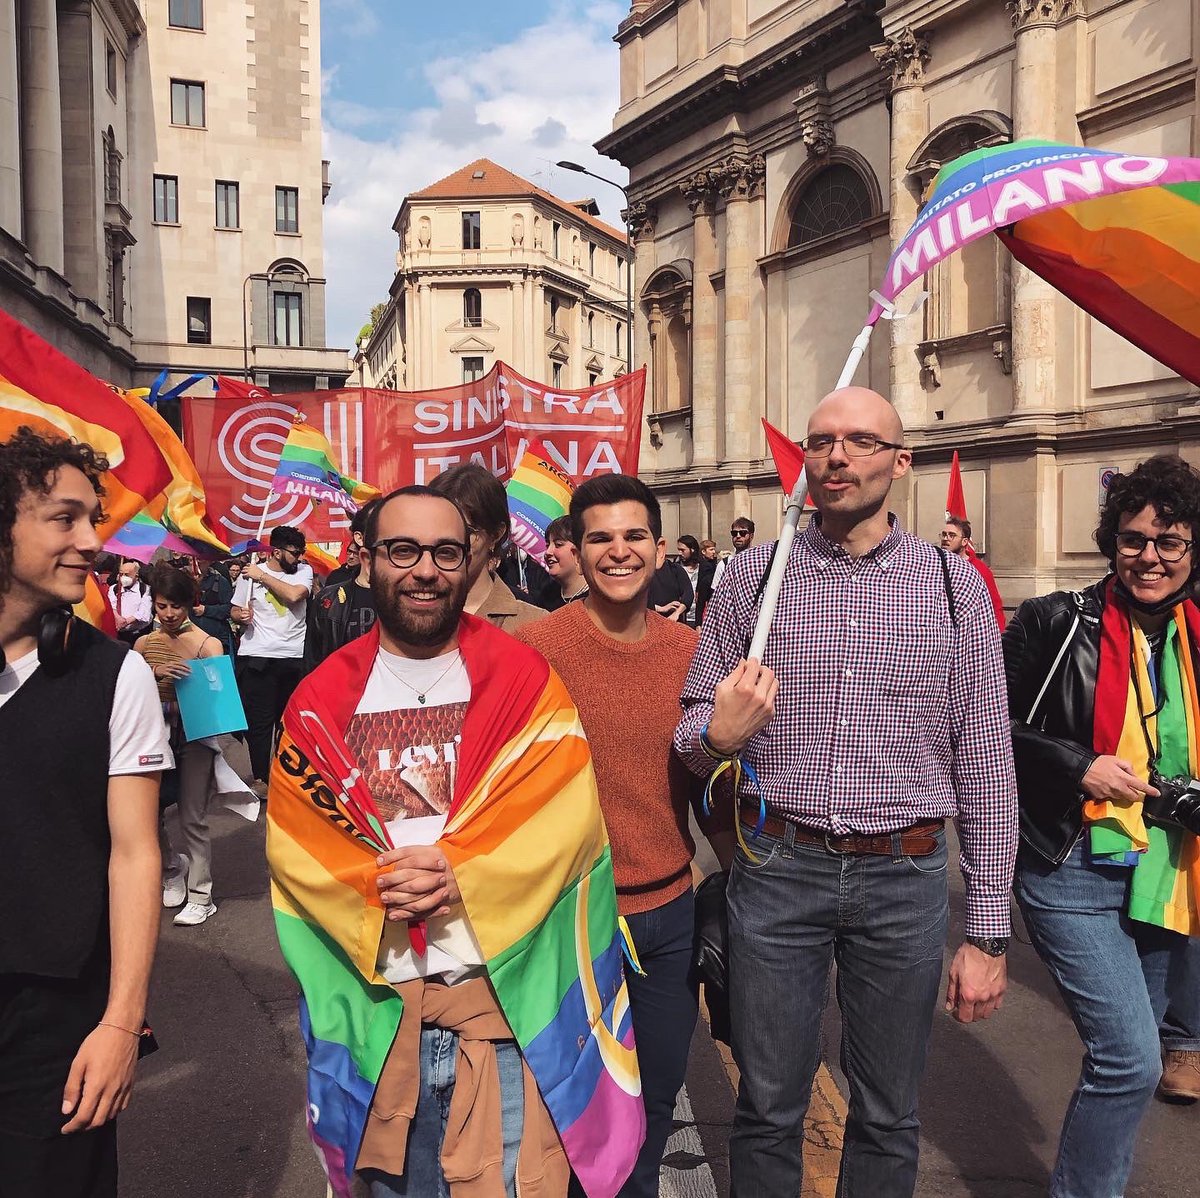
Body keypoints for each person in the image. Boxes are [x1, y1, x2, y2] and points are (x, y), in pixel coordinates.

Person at [675, 387, 1018, 1198]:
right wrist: (717, 735)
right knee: (766, 1108)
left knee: (889, 1115)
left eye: (861, 441)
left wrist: (991, 934)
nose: (836, 456)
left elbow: (988, 761)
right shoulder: (754, 579)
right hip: (779, 868)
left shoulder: (952, 585)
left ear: (901, 463)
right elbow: (691, 730)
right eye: (822, 441)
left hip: (906, 877)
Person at [265, 486, 644, 1198]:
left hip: (499, 1016)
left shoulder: (525, 679)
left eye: (447, 551)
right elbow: (295, 845)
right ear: (367, 560)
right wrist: (371, 883)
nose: (426, 569)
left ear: (472, 561)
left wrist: (457, 869)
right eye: (402, 550)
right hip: (380, 1019)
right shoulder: (317, 697)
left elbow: (565, 822)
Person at [517, 475, 731, 1197]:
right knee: (571, 1127)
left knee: (651, 1114)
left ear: (661, 548)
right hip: (567, 924)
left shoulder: (693, 652)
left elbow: (709, 787)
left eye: (634, 536)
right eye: (600, 537)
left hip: (666, 918)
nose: (619, 551)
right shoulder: (535, 649)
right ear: (574, 549)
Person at [1005, 454, 1200, 1195]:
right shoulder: (1057, 620)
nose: (1149, 556)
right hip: (1072, 863)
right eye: (1132, 539)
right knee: (1129, 1058)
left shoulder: (1195, 635)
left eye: (1169, 541)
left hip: (1164, 867)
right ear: (1111, 542)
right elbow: (989, 728)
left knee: (1134, 1055)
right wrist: (1077, 761)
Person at [0, 428, 169, 1198]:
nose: (91, 541)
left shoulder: (116, 674)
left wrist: (120, 1024)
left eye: (91, 519)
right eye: (64, 519)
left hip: (56, 1015)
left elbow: (134, 853)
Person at [134, 566, 224, 927]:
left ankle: (202, 895)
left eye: (175, 606)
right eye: (161, 606)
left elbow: (221, 703)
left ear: (190, 604)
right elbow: (124, 693)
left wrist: (197, 682)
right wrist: (152, 674)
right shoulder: (142, 645)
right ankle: (172, 869)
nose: (169, 614)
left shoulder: (208, 644)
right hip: (150, 736)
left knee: (192, 817)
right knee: (146, 812)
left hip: (194, 738)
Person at [230, 525, 313, 792]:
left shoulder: (303, 572)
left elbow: (294, 595)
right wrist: (239, 616)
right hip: (257, 656)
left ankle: (286, 774)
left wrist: (262, 577)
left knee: (288, 722)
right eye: (294, 552)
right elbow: (235, 609)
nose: (298, 557)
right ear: (275, 551)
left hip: (293, 657)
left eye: (301, 552)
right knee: (260, 723)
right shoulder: (249, 575)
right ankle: (261, 778)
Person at [429, 463, 544, 633]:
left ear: (496, 534)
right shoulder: (403, 616)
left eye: (463, 530)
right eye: (432, 529)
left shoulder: (535, 626)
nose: (445, 543)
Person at [940, 516, 1005, 629]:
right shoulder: (935, 565)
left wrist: (1000, 635)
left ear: (965, 541)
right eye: (944, 534)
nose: (946, 539)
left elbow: (995, 605)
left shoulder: (980, 569)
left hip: (971, 630)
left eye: (952, 535)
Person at [541, 515, 588, 610]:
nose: (548, 552)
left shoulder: (598, 597)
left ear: (579, 549)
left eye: (558, 545)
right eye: (547, 545)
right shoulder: (545, 596)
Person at [192, 559, 235, 655]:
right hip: (190, 639)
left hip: (216, 637)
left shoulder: (220, 581)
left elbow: (229, 609)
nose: (196, 564)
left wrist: (206, 610)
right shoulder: (182, 582)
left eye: (200, 560)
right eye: (192, 560)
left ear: (209, 561)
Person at [108, 557, 153, 644]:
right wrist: (117, 618)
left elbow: (144, 612)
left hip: (138, 634)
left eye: (127, 575)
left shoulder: (145, 589)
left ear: (136, 576)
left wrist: (125, 622)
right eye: (121, 574)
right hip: (119, 634)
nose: (123, 577)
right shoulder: (114, 588)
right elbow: (111, 605)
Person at [676, 534, 716, 627]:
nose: (679, 553)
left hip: (700, 618)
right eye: (678, 550)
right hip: (681, 618)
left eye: (682, 550)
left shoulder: (706, 568)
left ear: (692, 550)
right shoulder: (675, 568)